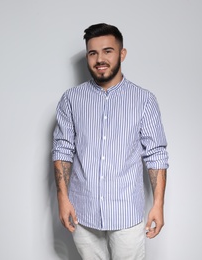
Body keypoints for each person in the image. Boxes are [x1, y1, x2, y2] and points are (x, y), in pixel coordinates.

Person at [52, 23, 169, 260]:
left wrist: (158, 205)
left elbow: (155, 155)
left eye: (107, 51)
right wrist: (62, 199)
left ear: (122, 54)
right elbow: (62, 150)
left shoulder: (144, 100)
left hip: (126, 213)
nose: (99, 59)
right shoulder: (71, 99)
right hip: (83, 213)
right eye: (93, 53)